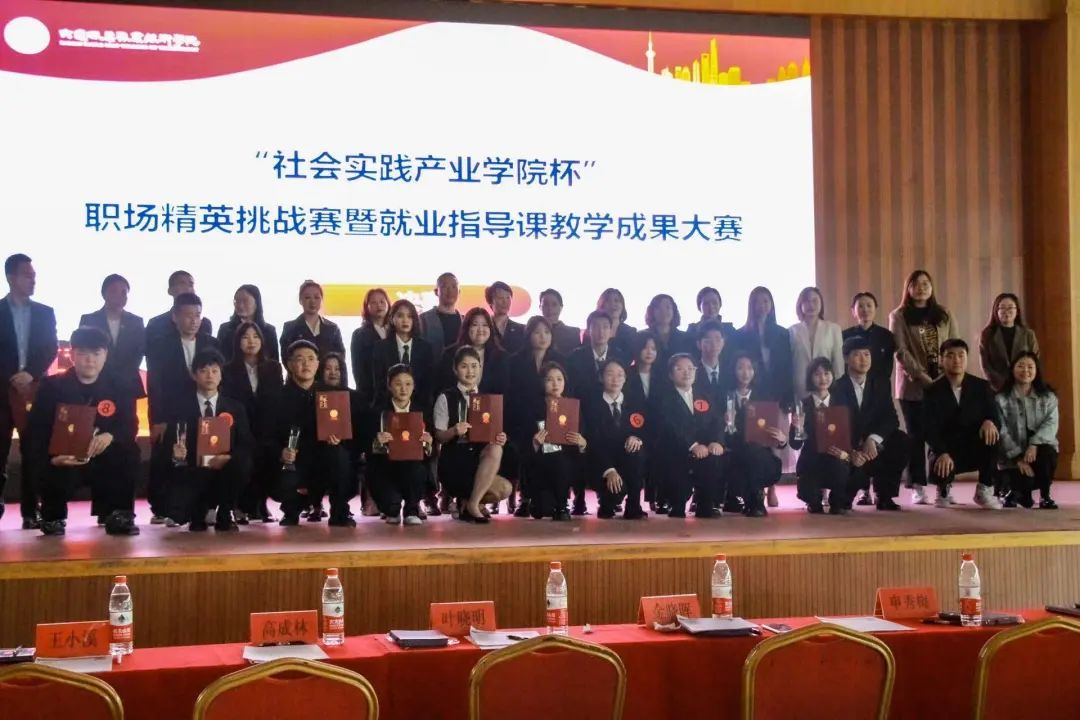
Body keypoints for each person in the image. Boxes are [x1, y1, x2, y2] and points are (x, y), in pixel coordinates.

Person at [26, 327, 139, 536]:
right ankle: (53, 516)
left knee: (128, 452)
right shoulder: (52, 387)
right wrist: (53, 458)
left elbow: (130, 424)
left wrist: (110, 436)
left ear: (105, 355)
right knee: (47, 462)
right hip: (64, 457)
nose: (90, 360)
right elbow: (37, 430)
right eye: (83, 354)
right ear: (72, 355)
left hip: (103, 454)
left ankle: (119, 514)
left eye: (96, 354)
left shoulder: (120, 385)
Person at [889, 270, 961, 505]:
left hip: (942, 383)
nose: (921, 288)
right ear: (908, 288)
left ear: (931, 287)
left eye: (925, 283)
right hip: (912, 386)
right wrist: (921, 376)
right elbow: (900, 350)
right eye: (916, 284)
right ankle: (918, 486)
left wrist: (945, 376)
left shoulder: (944, 314)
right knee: (916, 436)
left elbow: (955, 345)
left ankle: (943, 485)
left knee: (943, 435)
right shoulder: (899, 315)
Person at [146, 292, 219, 525]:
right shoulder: (161, 344)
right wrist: (158, 419)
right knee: (169, 457)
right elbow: (155, 383)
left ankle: (206, 505)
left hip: (203, 410)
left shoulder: (211, 343)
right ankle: (165, 508)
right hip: (171, 411)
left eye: (197, 315)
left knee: (203, 457)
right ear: (174, 317)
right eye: (187, 315)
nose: (193, 321)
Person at [0, 253, 58, 527]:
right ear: (10, 277)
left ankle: (30, 511)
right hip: (2, 390)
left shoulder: (45, 312)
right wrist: (11, 376)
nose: (33, 280)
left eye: (34, 276)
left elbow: (50, 348)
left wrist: (30, 373)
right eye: (27, 275)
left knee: (34, 452)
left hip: (35, 390)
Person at [168, 349, 253, 532]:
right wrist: (176, 453)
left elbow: (246, 443)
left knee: (243, 462)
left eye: (215, 371)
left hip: (225, 468)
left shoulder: (235, 407)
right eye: (204, 371)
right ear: (194, 375)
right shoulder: (179, 407)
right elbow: (170, 441)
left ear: (221, 375)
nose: (210, 376)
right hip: (194, 466)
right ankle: (196, 512)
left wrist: (228, 457)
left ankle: (226, 512)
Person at [274, 340, 355, 527]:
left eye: (311, 359)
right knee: (283, 475)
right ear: (289, 364)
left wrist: (338, 439)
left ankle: (340, 512)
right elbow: (267, 437)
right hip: (293, 460)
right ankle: (292, 509)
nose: (306, 364)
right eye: (300, 359)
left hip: (322, 457)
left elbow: (345, 432)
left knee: (340, 456)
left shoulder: (331, 395)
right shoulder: (277, 397)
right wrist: (280, 452)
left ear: (318, 364)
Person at [830, 336, 908, 511]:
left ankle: (884, 495)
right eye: (857, 355)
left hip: (872, 448)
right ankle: (846, 494)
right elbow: (834, 427)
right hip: (848, 450)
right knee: (840, 504)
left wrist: (873, 439)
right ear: (846, 358)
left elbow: (891, 418)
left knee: (901, 440)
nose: (863, 359)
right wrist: (852, 450)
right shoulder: (836, 387)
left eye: (867, 354)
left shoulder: (880, 384)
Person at [434, 347, 511, 523]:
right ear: (455, 369)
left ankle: (469, 503)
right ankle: (474, 505)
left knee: (505, 487)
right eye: (464, 366)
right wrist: (453, 431)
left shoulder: (488, 399)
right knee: (494, 483)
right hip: (455, 463)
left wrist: (500, 437)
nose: (470, 371)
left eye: (474, 366)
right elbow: (439, 436)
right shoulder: (446, 397)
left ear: (480, 368)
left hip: (479, 462)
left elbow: (492, 433)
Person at [923, 339, 1001, 509]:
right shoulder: (932, 390)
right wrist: (942, 452)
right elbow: (929, 428)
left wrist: (989, 421)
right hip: (946, 448)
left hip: (973, 446)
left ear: (967, 358)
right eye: (950, 356)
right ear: (941, 360)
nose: (956, 360)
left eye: (961, 355)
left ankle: (984, 489)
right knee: (939, 458)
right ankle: (943, 489)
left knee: (993, 435)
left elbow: (995, 416)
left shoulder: (981, 387)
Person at [220, 321, 283, 524]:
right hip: (239, 430)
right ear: (237, 342)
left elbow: (276, 400)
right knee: (244, 458)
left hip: (266, 428)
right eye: (245, 337)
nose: (251, 341)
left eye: (255, 337)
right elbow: (227, 404)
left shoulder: (273, 367)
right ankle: (239, 505)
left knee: (268, 455)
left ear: (262, 341)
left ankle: (260, 505)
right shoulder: (228, 369)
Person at [506, 317, 565, 518]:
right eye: (537, 332)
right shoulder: (516, 360)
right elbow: (512, 394)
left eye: (547, 332)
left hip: (552, 417)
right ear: (529, 335)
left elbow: (565, 391)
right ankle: (525, 498)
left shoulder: (560, 359)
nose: (543, 337)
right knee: (526, 444)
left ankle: (557, 497)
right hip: (523, 419)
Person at [656, 353, 726, 519]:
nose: (686, 372)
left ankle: (705, 505)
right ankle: (676, 502)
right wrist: (693, 445)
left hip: (704, 450)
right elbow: (671, 427)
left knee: (715, 458)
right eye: (679, 369)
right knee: (678, 508)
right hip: (676, 451)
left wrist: (716, 441)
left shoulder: (705, 396)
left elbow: (716, 421)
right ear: (670, 374)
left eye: (690, 368)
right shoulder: (663, 399)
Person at [370, 364, 434, 525]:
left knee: (417, 469)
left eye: (408, 384)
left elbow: (430, 452)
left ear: (414, 386)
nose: (403, 389)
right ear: (389, 386)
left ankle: (412, 509)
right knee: (391, 509)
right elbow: (366, 447)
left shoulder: (422, 412)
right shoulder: (378, 412)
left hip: (412, 466)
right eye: (398, 384)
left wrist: (428, 443)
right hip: (385, 466)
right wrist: (377, 441)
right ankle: (392, 507)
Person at [583, 359, 647, 519]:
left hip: (627, 462)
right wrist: (609, 470)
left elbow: (644, 429)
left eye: (620, 375)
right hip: (602, 465)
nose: (615, 379)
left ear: (625, 378)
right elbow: (593, 442)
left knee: (637, 452)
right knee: (614, 493)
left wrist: (636, 437)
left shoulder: (634, 402)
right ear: (601, 377)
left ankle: (634, 506)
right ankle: (607, 503)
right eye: (610, 374)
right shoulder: (591, 405)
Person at [995, 352, 1059, 509]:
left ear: (1037, 370)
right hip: (1011, 456)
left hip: (1037, 453)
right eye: (1021, 366)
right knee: (1024, 491)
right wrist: (1018, 458)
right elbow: (1001, 431)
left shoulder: (1048, 397)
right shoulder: (1000, 398)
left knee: (1048, 452)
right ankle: (1014, 491)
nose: (1026, 370)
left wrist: (1034, 444)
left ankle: (1045, 496)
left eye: (1030, 367)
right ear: (1012, 369)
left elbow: (1051, 424)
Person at [789, 358, 852, 515]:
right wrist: (797, 427)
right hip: (811, 459)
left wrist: (845, 454)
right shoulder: (802, 405)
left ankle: (837, 501)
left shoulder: (842, 403)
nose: (823, 378)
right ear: (810, 378)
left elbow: (849, 434)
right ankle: (814, 500)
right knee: (811, 497)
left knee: (842, 467)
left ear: (832, 375)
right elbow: (795, 445)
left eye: (826, 373)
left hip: (835, 457)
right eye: (817, 374)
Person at [722, 353, 783, 517]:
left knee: (754, 452)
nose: (745, 372)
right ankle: (755, 501)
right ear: (733, 370)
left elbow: (773, 436)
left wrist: (782, 439)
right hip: (734, 454)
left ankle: (754, 500)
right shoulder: (724, 397)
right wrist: (725, 424)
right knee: (743, 459)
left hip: (760, 456)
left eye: (749, 368)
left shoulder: (764, 397)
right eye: (740, 368)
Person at [527, 362, 587, 520]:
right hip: (542, 462)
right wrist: (534, 443)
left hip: (568, 461)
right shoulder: (533, 407)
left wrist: (582, 443)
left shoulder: (572, 407)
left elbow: (583, 439)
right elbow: (523, 443)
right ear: (542, 383)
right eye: (549, 379)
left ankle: (562, 506)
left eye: (559, 379)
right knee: (541, 510)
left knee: (563, 461)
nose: (555, 384)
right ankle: (545, 501)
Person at [726, 286, 794, 410]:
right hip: (753, 393)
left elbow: (787, 367)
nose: (761, 305)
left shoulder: (782, 333)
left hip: (779, 391)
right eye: (757, 302)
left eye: (765, 301)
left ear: (772, 304)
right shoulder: (741, 334)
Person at [627, 331, 667, 514]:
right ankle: (633, 502)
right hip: (632, 430)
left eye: (653, 348)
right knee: (636, 457)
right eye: (645, 347)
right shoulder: (627, 374)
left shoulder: (663, 376)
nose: (649, 352)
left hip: (657, 430)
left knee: (661, 454)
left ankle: (657, 498)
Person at [371, 299, 436, 410]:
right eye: (400, 316)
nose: (405, 320)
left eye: (409, 316)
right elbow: (379, 385)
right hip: (388, 408)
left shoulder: (426, 348)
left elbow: (428, 386)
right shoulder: (380, 348)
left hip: (419, 409)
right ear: (392, 319)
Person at [437, 307, 509, 395]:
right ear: (467, 328)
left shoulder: (501, 357)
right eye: (475, 325)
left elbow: (504, 392)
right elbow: (441, 387)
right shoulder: (450, 354)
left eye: (485, 325)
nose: (480, 330)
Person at [789, 286, 845, 399]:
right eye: (806, 301)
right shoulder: (792, 331)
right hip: (800, 388)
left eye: (815, 300)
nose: (811, 305)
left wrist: (836, 388)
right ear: (800, 305)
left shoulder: (833, 329)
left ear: (821, 303)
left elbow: (838, 364)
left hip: (826, 388)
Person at [979, 293, 1041, 392]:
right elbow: (986, 365)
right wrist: (1000, 385)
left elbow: (1034, 361)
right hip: (996, 388)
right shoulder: (987, 335)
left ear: (1017, 311)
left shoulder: (1028, 334)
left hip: (1023, 387)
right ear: (996, 311)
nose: (1006, 311)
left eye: (1010, 308)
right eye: (1002, 308)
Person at [567, 310, 629, 402]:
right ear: (588, 331)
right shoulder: (575, 357)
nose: (601, 331)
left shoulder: (620, 356)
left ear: (611, 331)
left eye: (605, 327)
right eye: (596, 327)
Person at [279, 280, 345, 366]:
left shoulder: (333, 328)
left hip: (326, 374)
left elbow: (340, 358)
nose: (312, 301)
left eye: (317, 297)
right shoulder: (290, 328)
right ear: (300, 300)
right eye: (307, 297)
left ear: (321, 300)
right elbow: (286, 359)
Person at [145, 270, 212, 345]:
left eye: (191, 285)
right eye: (182, 284)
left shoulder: (204, 324)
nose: (188, 289)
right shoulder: (156, 323)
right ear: (170, 291)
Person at [842, 291, 895, 387]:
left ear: (875, 309)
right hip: (852, 386)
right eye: (861, 306)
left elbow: (888, 367)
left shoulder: (886, 335)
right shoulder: (845, 336)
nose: (865, 309)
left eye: (869, 306)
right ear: (853, 311)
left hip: (880, 386)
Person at [350, 288, 391, 408]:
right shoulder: (359, 334)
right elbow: (358, 370)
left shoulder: (396, 332)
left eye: (382, 301)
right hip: (371, 396)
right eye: (373, 302)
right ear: (366, 307)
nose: (379, 305)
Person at [217, 284, 279, 363]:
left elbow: (274, 361)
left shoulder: (269, 331)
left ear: (256, 303)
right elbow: (219, 360)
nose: (240, 305)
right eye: (237, 301)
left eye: (245, 301)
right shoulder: (225, 329)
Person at [642, 294, 694, 367]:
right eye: (658, 308)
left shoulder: (686, 338)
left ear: (674, 311)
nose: (663, 311)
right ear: (652, 312)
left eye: (668, 307)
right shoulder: (642, 337)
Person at [419, 272, 463, 353]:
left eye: (454, 286)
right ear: (436, 291)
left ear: (459, 291)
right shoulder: (423, 319)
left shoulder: (466, 321)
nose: (450, 291)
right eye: (445, 287)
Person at [596, 288, 638, 358]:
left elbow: (630, 357)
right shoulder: (592, 330)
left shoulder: (630, 332)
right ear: (602, 305)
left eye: (617, 301)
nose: (613, 304)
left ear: (622, 306)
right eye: (608, 301)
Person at [693, 320, 728, 405]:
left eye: (718, 339)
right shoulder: (692, 372)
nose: (714, 345)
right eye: (708, 340)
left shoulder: (729, 371)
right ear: (699, 344)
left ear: (723, 343)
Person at [487, 281, 525, 355]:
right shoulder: (484, 328)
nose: (505, 301)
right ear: (491, 302)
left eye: (508, 297)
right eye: (500, 298)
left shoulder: (522, 329)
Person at [540, 288, 582, 356]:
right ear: (540, 307)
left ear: (561, 307)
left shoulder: (573, 333)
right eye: (546, 304)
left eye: (554, 304)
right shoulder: (531, 332)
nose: (550, 308)